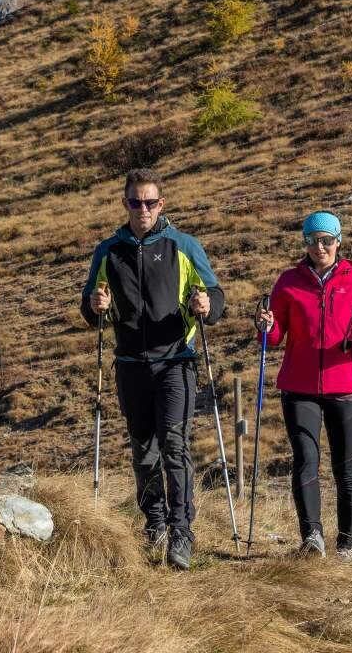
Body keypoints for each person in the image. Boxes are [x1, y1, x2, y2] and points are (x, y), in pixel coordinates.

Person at [80, 167, 225, 569]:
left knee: (174, 447)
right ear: (125, 203)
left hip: (176, 361)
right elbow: (90, 305)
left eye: (149, 202)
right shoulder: (108, 251)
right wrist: (95, 308)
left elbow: (215, 293)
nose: (142, 209)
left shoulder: (184, 245)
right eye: (134, 202)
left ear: (161, 205)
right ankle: (155, 523)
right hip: (129, 365)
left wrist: (207, 306)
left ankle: (182, 532)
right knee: (144, 454)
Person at [254, 210, 352, 560]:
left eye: (327, 240)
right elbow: (276, 334)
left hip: (344, 386)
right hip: (299, 388)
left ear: (338, 241)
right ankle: (312, 537)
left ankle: (349, 543)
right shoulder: (288, 282)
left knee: (346, 465)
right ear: (305, 243)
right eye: (313, 240)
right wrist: (266, 328)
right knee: (305, 459)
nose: (320, 246)